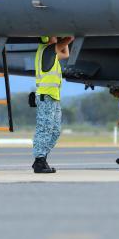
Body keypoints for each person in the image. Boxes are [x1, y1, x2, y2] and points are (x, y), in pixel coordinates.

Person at [32, 35, 73, 173]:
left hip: (53, 97)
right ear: (48, 39)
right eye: (54, 36)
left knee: (55, 131)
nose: (57, 37)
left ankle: (41, 158)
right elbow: (69, 39)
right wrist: (66, 36)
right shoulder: (47, 50)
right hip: (46, 96)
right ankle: (39, 160)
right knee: (44, 129)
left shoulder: (50, 53)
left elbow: (66, 54)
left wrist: (61, 39)